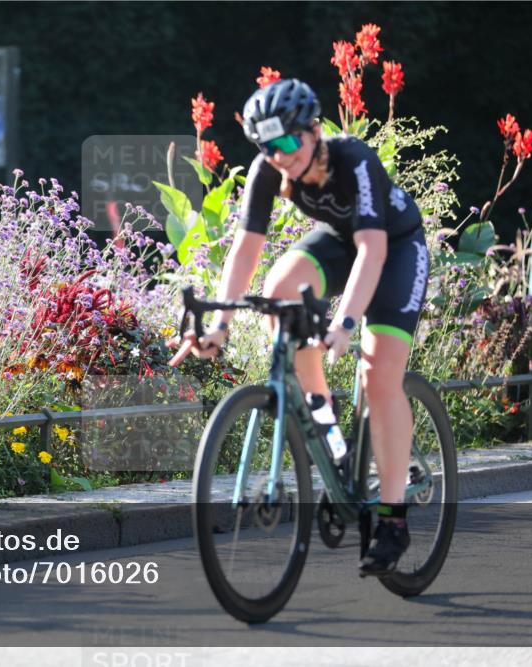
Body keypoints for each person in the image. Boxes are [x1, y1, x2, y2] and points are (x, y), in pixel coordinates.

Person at [166, 78, 430, 577]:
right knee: (279, 289)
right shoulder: (269, 169)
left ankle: (393, 518)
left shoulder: (353, 158)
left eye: (287, 142)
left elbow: (373, 250)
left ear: (312, 131)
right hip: (338, 242)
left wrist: (347, 322)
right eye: (267, 146)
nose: (279, 155)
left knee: (379, 376)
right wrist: (219, 325)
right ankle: (325, 419)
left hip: (394, 251)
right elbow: (246, 249)